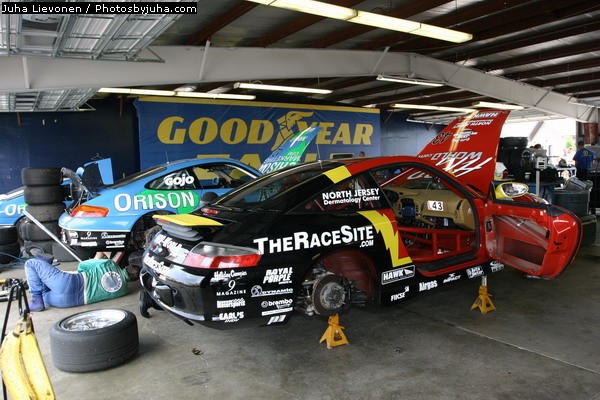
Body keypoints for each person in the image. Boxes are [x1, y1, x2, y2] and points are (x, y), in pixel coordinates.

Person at [24, 253, 138, 312]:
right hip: (69, 302)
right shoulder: (123, 291)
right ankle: (38, 300)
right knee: (44, 295)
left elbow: (82, 265)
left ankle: (36, 296)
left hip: (71, 283)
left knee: (31, 264)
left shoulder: (111, 264)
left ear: (127, 267)